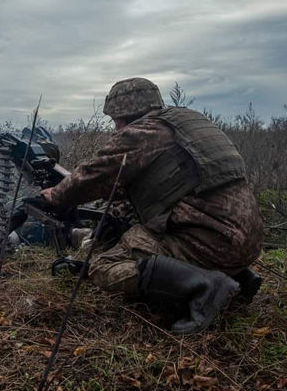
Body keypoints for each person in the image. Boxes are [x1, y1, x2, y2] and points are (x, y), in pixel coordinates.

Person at [40, 77, 264, 333]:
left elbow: (94, 175)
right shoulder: (186, 122)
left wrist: (55, 195)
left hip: (210, 243)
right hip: (246, 240)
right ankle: (237, 275)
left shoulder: (142, 133)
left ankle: (207, 285)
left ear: (125, 115)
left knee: (102, 267)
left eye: (115, 121)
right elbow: (166, 183)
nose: (115, 129)